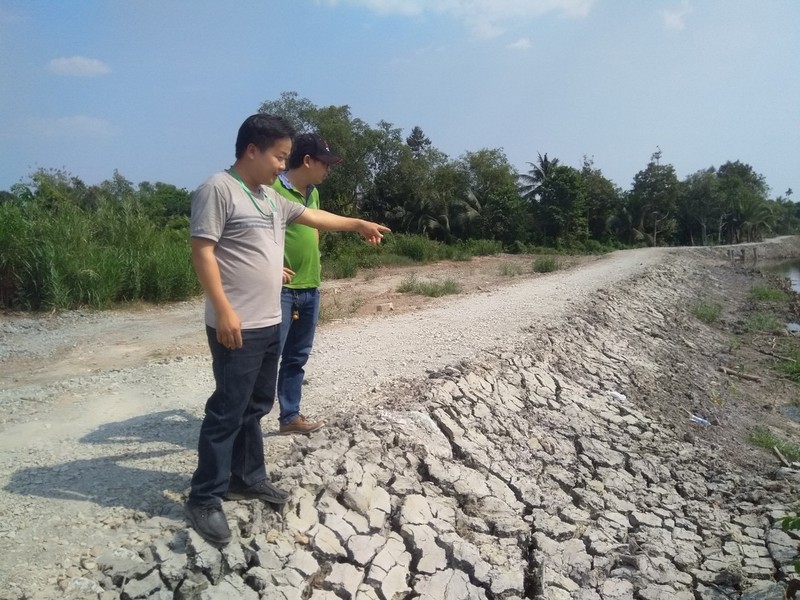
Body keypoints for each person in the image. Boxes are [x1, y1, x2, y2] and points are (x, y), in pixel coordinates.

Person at [186, 114, 389, 546]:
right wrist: (223, 309)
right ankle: (204, 497)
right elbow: (203, 252)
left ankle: (248, 477)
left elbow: (315, 219)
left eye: (286, 157)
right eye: (279, 156)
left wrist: (358, 224)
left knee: (257, 404)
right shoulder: (218, 190)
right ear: (252, 150)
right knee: (227, 408)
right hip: (236, 322)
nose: (284, 164)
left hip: (267, 320)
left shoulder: (268, 198)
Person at [272, 133, 341, 435]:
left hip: (310, 286)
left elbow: (314, 230)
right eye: (324, 163)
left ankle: (290, 417)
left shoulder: (312, 193)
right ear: (308, 161)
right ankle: (242, 423)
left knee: (297, 357)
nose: (328, 169)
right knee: (267, 357)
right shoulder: (271, 188)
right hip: (280, 290)